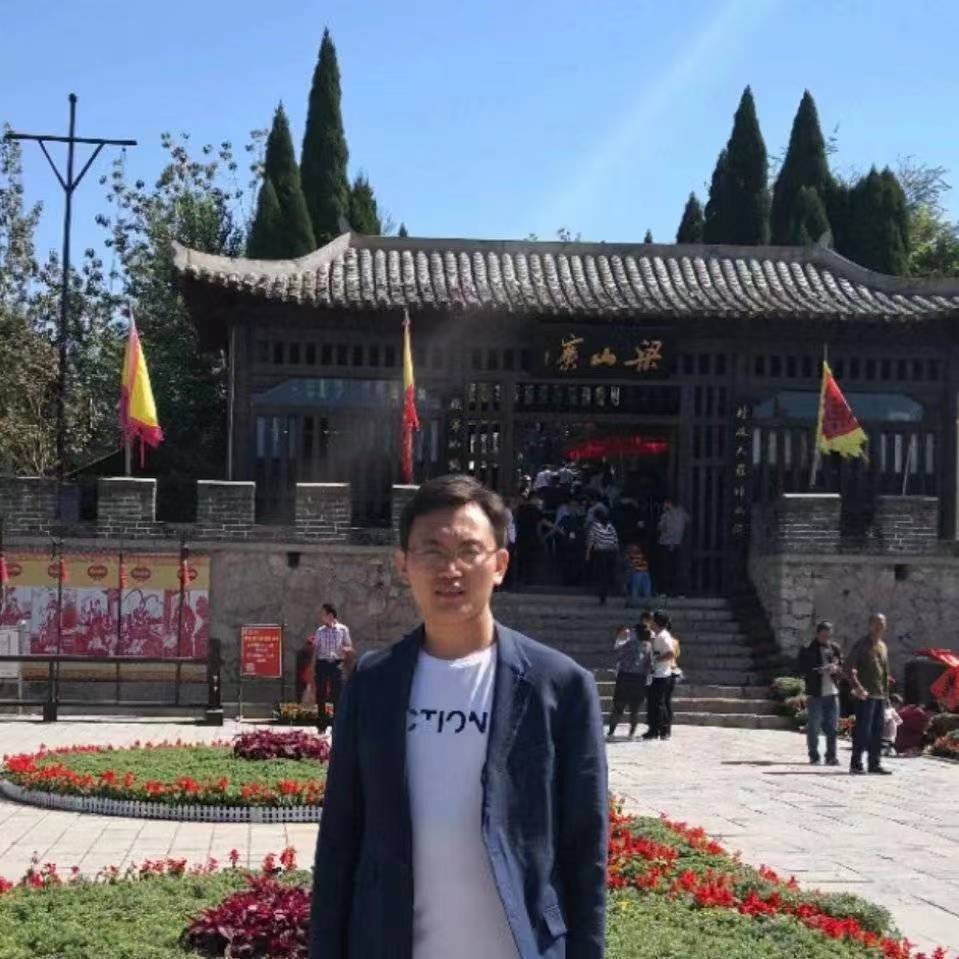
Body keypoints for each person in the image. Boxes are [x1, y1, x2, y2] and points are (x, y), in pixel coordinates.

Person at [310, 474, 607, 959]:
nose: (450, 569)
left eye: (469, 551)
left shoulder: (561, 686)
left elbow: (585, 851)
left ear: (500, 565)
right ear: (404, 565)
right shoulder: (373, 682)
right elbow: (340, 837)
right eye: (431, 551)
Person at [845, 612, 893, 775]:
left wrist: (887, 695)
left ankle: (874, 763)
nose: (879, 627)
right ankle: (856, 764)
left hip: (880, 695)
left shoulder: (883, 646)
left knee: (878, 732)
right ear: (870, 625)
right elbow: (848, 667)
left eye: (882, 624)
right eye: (876, 624)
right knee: (863, 731)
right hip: (865, 695)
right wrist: (857, 687)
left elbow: (885, 672)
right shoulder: (862, 644)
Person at [798, 620, 843, 766]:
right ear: (817, 634)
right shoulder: (807, 649)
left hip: (833, 692)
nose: (826, 638)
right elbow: (802, 669)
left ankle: (831, 756)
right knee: (814, 726)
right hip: (815, 693)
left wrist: (836, 669)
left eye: (828, 636)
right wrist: (819, 670)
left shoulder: (834, 648)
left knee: (833, 727)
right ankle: (814, 756)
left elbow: (842, 666)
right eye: (824, 635)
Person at [607, 623, 652, 741]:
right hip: (639, 679)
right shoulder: (648, 646)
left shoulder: (629, 644)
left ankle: (611, 732)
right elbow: (649, 664)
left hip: (625, 677)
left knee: (618, 706)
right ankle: (631, 734)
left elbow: (617, 656)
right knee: (635, 709)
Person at [312, 603, 353, 729]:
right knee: (321, 694)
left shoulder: (343, 630)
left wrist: (346, 650)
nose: (321, 617)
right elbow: (316, 650)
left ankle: (336, 724)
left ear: (330, 615)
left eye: (323, 614)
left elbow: (349, 646)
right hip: (322, 663)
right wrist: (312, 667)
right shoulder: (320, 631)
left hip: (337, 663)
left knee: (337, 694)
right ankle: (322, 723)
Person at [643, 611, 677, 741]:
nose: (650, 622)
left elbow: (671, 653)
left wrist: (656, 660)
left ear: (656, 622)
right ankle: (653, 730)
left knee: (659, 704)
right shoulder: (656, 635)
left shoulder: (664, 636)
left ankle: (664, 730)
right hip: (654, 674)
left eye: (652, 620)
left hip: (662, 675)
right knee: (652, 704)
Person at [585, 506, 620, 606]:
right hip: (610, 552)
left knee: (601, 575)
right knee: (607, 574)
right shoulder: (610, 526)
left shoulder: (595, 526)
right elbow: (615, 540)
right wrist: (617, 553)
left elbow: (591, 541)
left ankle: (602, 595)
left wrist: (587, 553)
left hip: (600, 553)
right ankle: (605, 593)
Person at [657, 498, 689, 595]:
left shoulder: (666, 515)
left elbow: (660, 527)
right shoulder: (682, 513)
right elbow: (687, 522)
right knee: (677, 568)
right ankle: (679, 591)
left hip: (666, 543)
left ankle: (665, 591)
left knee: (665, 569)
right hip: (678, 543)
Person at [624, 542, 653, 607]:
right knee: (636, 588)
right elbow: (630, 565)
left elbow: (644, 564)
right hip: (637, 572)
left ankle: (646, 602)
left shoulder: (640, 555)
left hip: (643, 572)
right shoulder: (629, 556)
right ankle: (633, 602)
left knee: (645, 588)